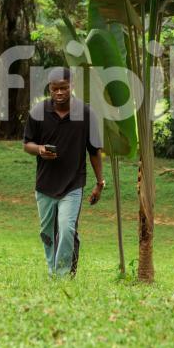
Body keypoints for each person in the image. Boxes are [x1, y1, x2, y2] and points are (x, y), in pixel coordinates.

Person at [22, 67, 105, 277]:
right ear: (49, 88)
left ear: (72, 86)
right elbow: (27, 144)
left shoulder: (86, 114)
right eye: (55, 89)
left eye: (64, 88)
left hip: (73, 184)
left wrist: (99, 182)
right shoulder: (38, 112)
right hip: (45, 185)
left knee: (67, 230)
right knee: (47, 233)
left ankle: (62, 275)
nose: (59, 93)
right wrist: (40, 150)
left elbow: (94, 151)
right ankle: (52, 270)